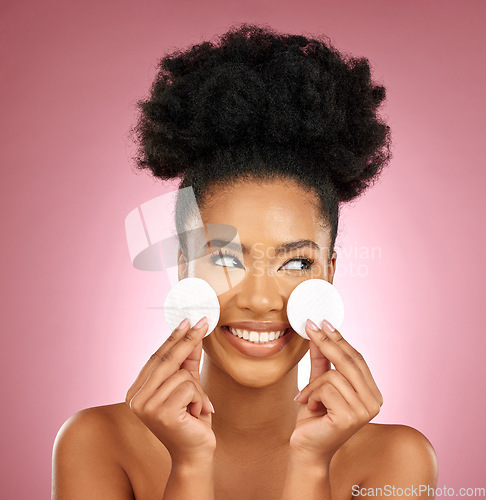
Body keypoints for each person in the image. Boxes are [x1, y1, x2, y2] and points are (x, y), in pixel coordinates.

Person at [51, 23, 438, 499]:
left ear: (329, 275)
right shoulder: (96, 443)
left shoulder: (396, 460)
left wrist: (311, 466)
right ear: (183, 267)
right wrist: (189, 466)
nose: (258, 299)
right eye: (226, 259)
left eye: (295, 264)